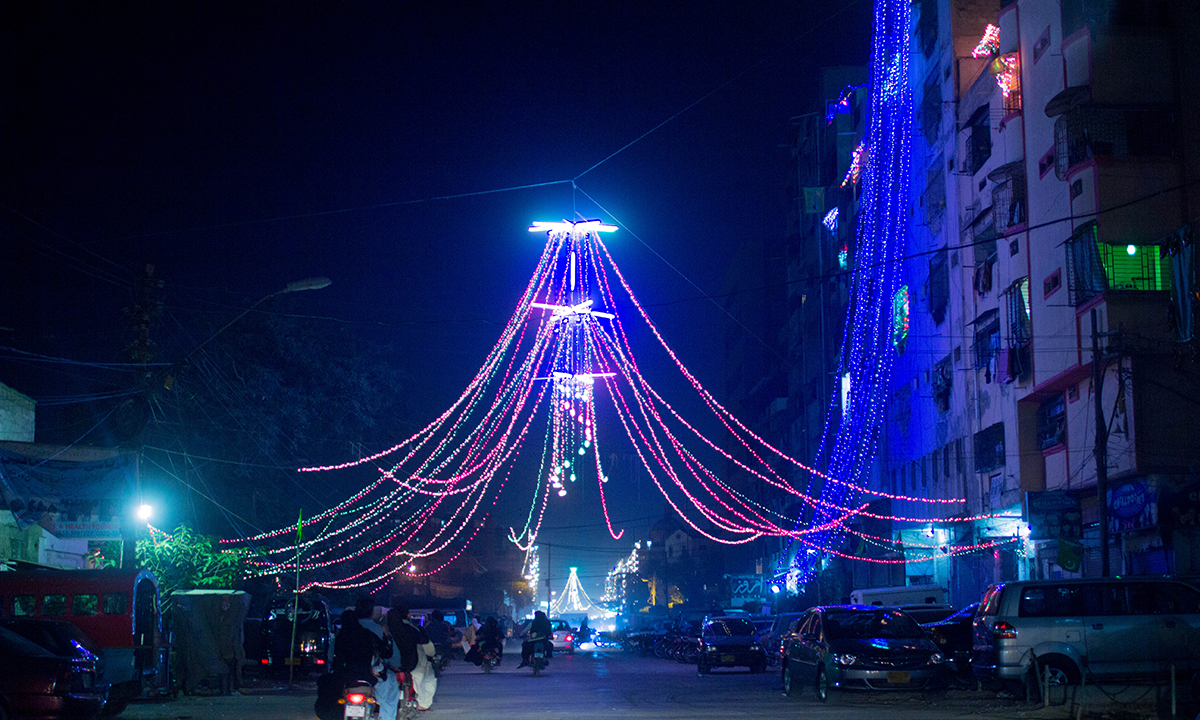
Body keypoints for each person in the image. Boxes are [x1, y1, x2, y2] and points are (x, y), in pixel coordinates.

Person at [355, 598, 399, 720]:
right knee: (390, 695)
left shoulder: (344, 630)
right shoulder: (378, 630)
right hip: (374, 676)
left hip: (347, 676)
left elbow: (331, 655)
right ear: (372, 612)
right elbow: (391, 656)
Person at [388, 602, 437, 711]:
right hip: (412, 665)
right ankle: (423, 704)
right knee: (429, 678)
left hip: (389, 666)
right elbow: (424, 641)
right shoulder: (411, 630)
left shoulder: (386, 630)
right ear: (407, 616)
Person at [333, 608, 391, 684]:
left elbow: (338, 658)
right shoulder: (367, 634)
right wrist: (386, 637)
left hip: (348, 677)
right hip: (367, 675)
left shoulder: (341, 637)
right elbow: (386, 652)